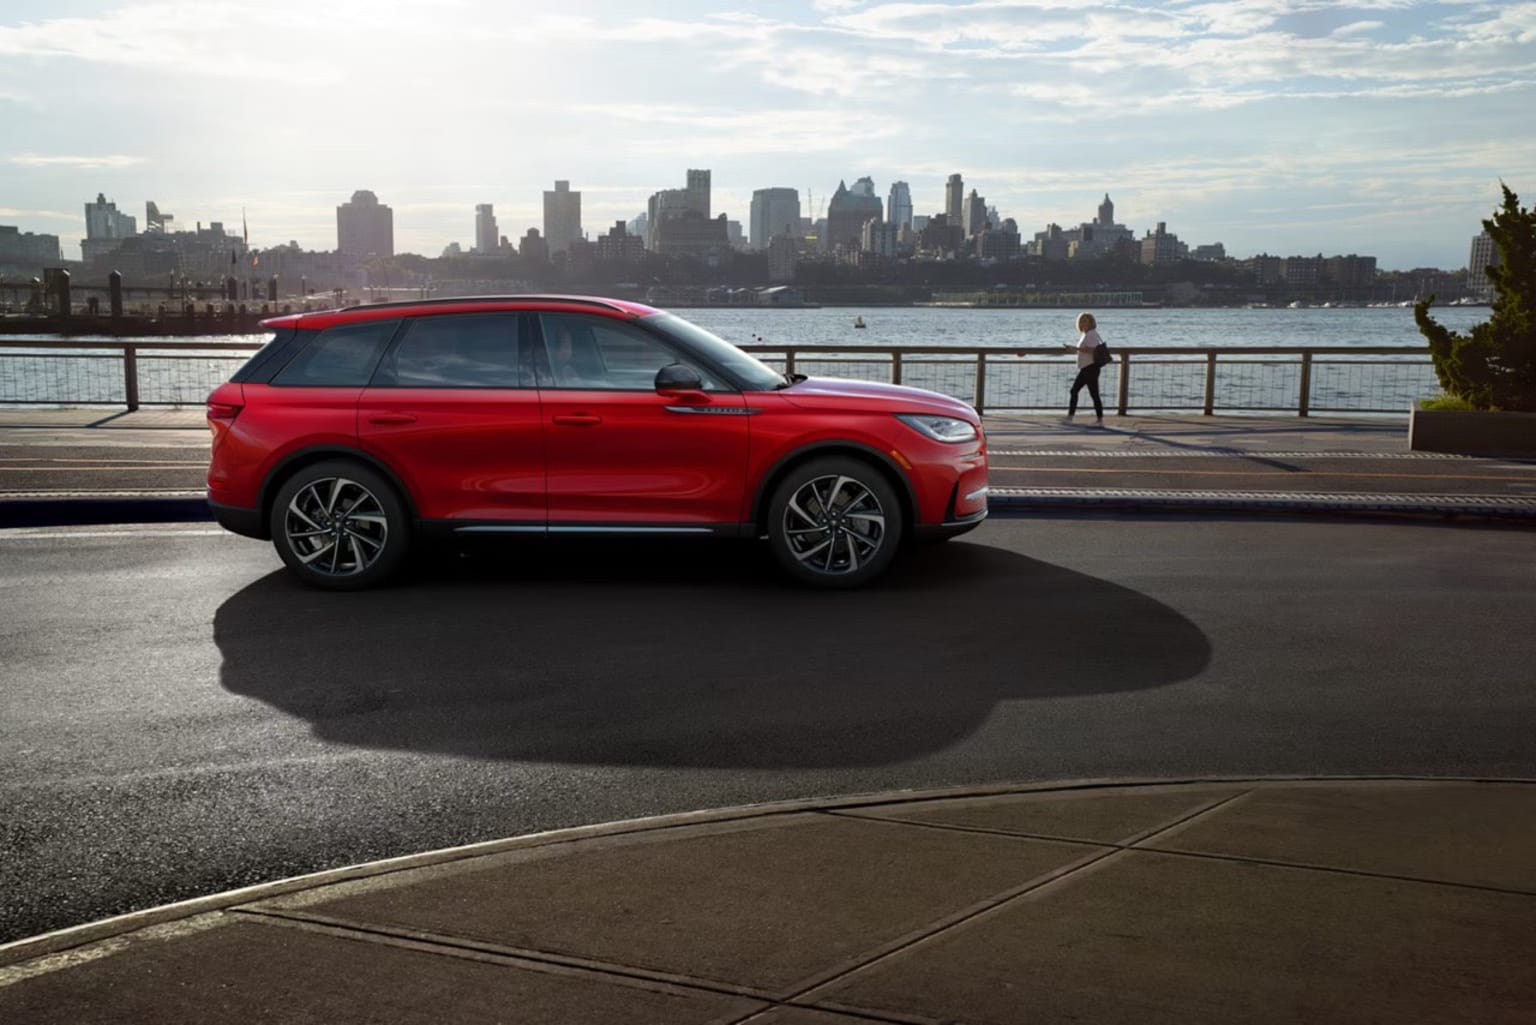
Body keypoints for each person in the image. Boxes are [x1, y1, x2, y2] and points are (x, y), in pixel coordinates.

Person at [1063, 312, 1106, 426]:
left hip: (1090, 367)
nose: (1083, 322)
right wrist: (1075, 349)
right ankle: (1071, 417)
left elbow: (1092, 350)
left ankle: (1099, 420)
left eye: (1086, 320)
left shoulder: (1091, 334)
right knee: (1078, 391)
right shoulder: (1085, 334)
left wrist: (1076, 348)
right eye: (1081, 320)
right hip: (1086, 367)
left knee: (1090, 393)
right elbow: (1084, 349)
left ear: (1091, 322)